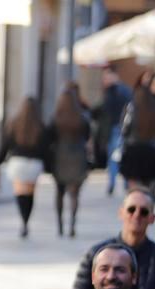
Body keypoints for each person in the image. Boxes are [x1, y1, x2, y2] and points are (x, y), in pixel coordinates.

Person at [68, 188, 155, 289]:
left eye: (144, 211)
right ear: (121, 213)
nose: (136, 215)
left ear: (152, 218)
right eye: (131, 209)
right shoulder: (97, 254)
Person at [0, 98, 49, 238]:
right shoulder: (40, 126)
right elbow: (45, 149)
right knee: (30, 195)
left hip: (18, 162)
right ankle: (26, 220)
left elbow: (5, 145)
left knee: (20, 194)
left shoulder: (14, 124)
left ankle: (22, 220)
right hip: (34, 164)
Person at [50, 85, 92, 238]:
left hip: (60, 157)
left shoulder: (56, 118)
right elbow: (87, 135)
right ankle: (72, 224)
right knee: (74, 194)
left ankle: (60, 224)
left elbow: (50, 137)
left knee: (59, 192)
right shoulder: (81, 118)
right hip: (78, 156)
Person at [117, 80, 155, 194]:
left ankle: (134, 203)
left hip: (133, 149)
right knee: (147, 186)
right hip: (150, 150)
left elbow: (124, 128)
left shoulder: (131, 108)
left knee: (134, 187)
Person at [97, 67, 133, 194]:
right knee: (116, 156)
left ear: (114, 76)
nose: (104, 80)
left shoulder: (118, 91)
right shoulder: (113, 91)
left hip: (117, 128)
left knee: (116, 157)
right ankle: (118, 183)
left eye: (107, 77)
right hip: (115, 129)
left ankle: (118, 183)